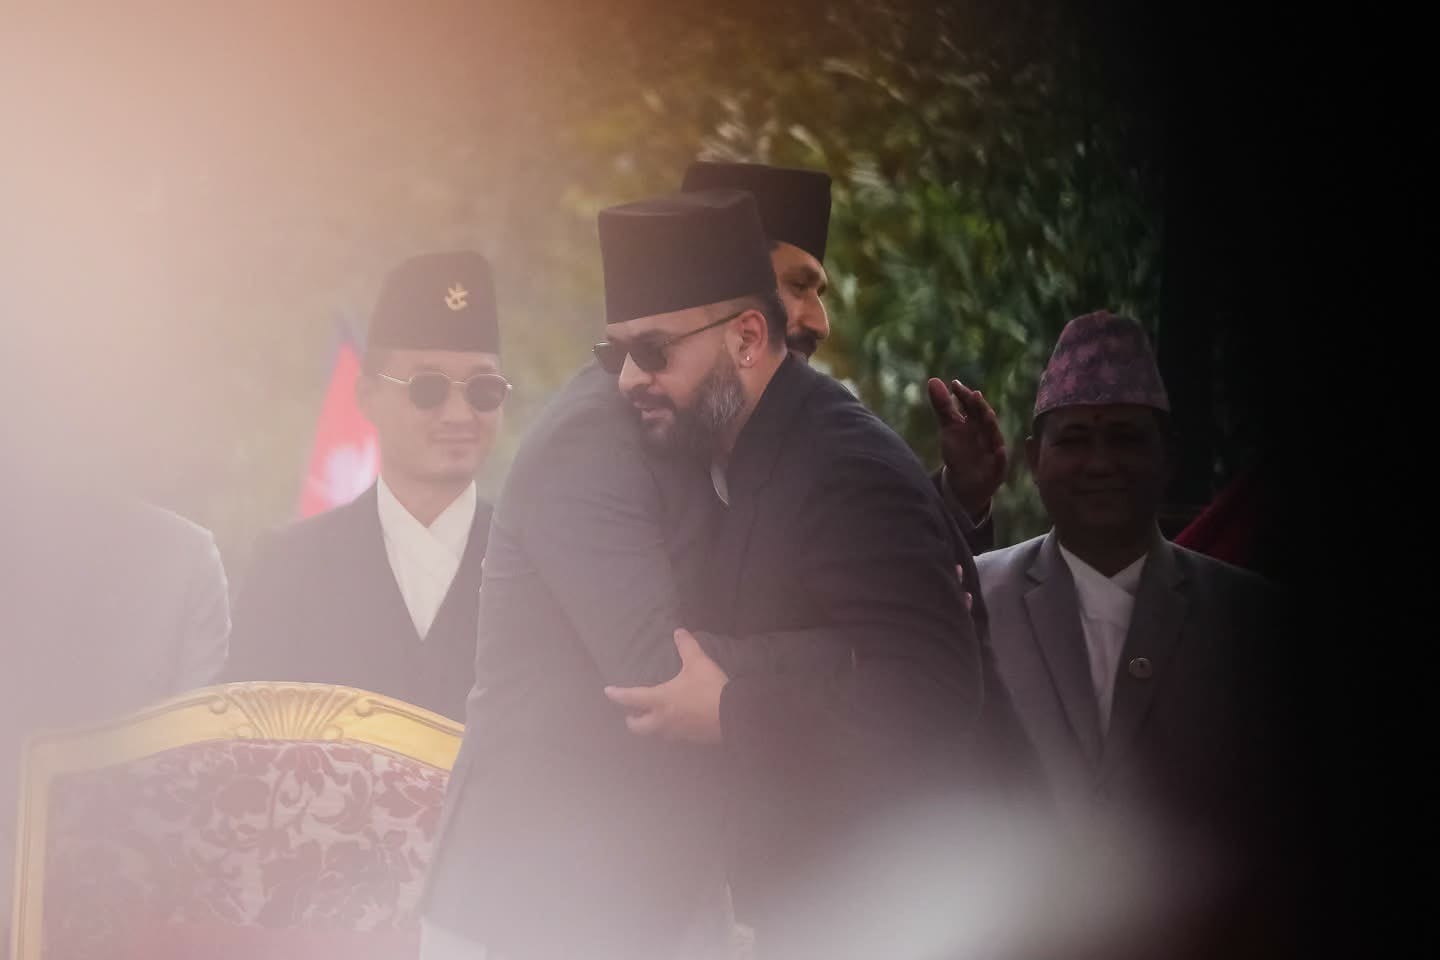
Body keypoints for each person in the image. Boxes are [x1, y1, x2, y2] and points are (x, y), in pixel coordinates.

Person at [601, 189, 995, 960]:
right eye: (614, 353)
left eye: (651, 351)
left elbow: (936, 692)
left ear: (748, 338)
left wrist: (732, 708)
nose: (626, 381)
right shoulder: (724, 443)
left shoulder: (842, 466)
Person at [974, 311, 1292, 957]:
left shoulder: (1251, 618)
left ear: (1168, 456)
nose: (1100, 463)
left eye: (1125, 438)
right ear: (1034, 459)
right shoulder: (974, 600)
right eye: (1074, 439)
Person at [225, 251, 509, 721]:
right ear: (367, 396)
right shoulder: (290, 568)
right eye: (427, 388)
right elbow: (245, 742)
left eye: (483, 389)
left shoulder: (538, 566)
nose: (459, 414)